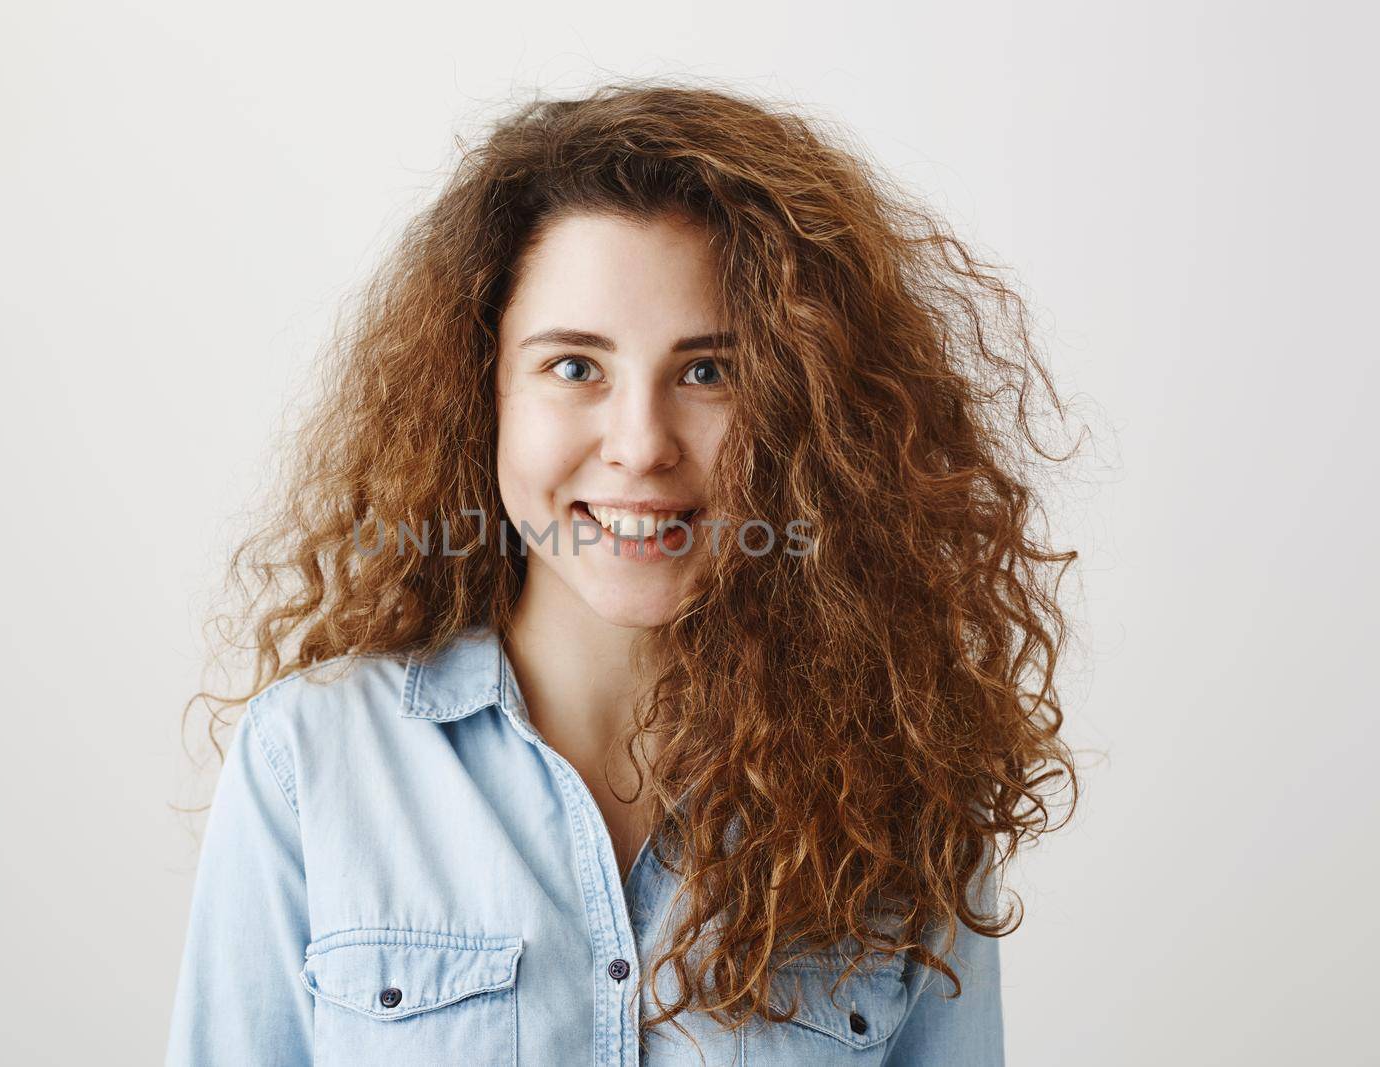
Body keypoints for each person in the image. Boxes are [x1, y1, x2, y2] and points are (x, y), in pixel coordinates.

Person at [165, 80, 1080, 1066]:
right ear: (484, 393)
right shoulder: (311, 760)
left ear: (805, 414)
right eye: (574, 367)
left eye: (707, 371)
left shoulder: (902, 797)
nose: (641, 446)